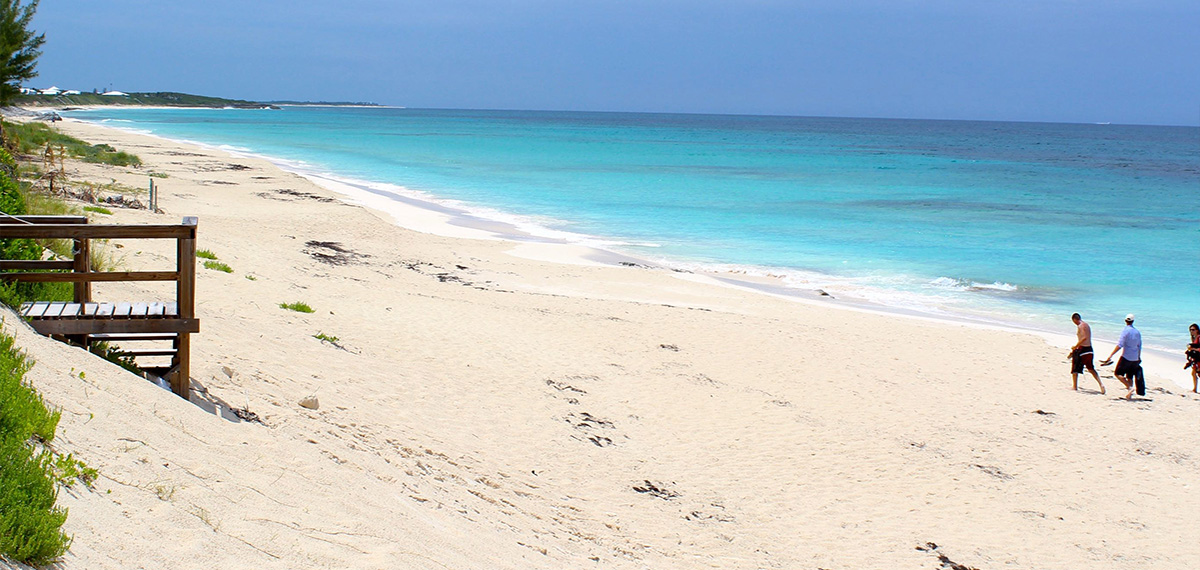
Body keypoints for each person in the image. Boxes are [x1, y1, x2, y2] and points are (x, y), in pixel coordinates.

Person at [1101, 314, 1143, 399]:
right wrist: (1138, 357)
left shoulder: (1125, 331)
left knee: (1117, 373)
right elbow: (1139, 346)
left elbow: (1120, 345)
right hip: (1135, 358)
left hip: (1126, 357)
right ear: (1133, 321)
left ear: (1125, 321)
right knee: (1129, 376)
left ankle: (1130, 388)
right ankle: (1129, 395)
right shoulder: (1137, 332)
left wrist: (1111, 355)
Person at [1068, 313, 1104, 394]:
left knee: (1075, 367)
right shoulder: (1087, 325)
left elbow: (1084, 337)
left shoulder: (1080, 326)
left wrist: (1075, 346)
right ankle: (1101, 384)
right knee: (1091, 368)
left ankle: (1074, 386)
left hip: (1082, 349)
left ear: (1074, 319)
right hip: (1089, 349)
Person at [1186, 323, 1200, 393]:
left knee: (1197, 373)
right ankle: (1195, 389)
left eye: (1193, 330)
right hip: (1196, 358)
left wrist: (1193, 349)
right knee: (1194, 373)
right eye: (1190, 330)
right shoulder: (1195, 338)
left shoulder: (1199, 338)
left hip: (1199, 359)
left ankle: (1195, 389)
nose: (1191, 331)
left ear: (1197, 330)